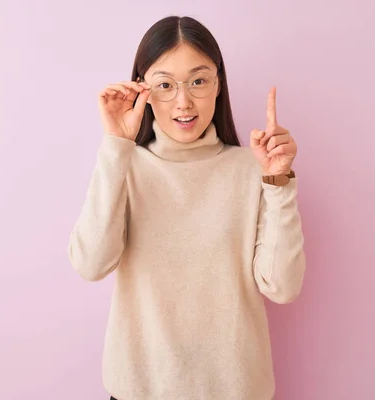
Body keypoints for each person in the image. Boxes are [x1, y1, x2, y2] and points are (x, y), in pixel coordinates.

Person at [67, 15, 306, 400]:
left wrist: (278, 182)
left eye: (198, 80)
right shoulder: (124, 165)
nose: (183, 101)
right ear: (142, 89)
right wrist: (115, 147)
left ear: (218, 83)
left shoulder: (253, 168)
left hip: (236, 391)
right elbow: (90, 263)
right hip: (138, 391)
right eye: (164, 85)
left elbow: (282, 287)